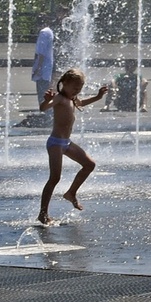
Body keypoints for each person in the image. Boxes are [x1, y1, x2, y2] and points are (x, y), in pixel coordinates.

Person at [38, 68, 110, 224]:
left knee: (89, 164)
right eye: (75, 88)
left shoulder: (72, 99)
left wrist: (98, 97)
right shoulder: (59, 98)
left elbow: (82, 102)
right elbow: (43, 108)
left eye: (80, 88)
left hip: (67, 143)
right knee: (54, 178)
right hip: (55, 143)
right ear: (64, 84)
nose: (77, 91)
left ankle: (71, 193)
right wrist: (46, 100)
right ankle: (43, 213)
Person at [30, 17, 56, 111]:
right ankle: (47, 114)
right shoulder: (49, 31)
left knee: (42, 93)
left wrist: (38, 68)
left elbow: (41, 53)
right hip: (47, 67)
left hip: (42, 68)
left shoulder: (43, 33)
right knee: (46, 91)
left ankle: (45, 114)